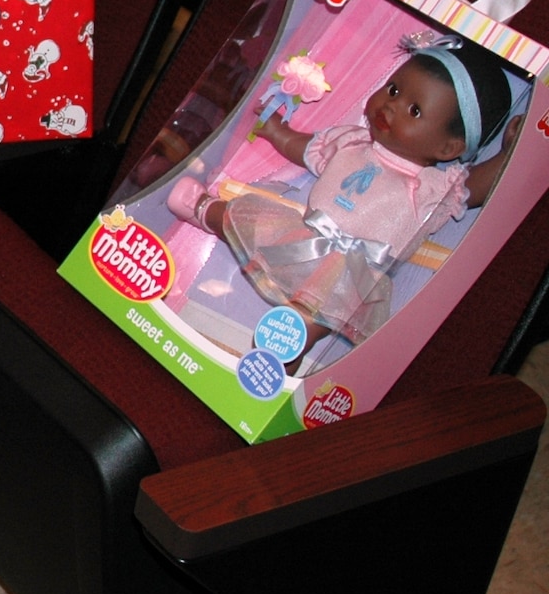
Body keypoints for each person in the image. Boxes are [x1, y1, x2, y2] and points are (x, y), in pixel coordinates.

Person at [179, 34, 523, 362]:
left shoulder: (432, 188)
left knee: (314, 316)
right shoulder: (352, 143)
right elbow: (306, 148)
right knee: (244, 219)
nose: (391, 106)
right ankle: (204, 210)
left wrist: (508, 156)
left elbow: (475, 187)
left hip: (353, 273)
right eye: (393, 89)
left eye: (414, 111)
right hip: (304, 234)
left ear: (448, 148)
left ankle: (286, 354)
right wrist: (277, 132)